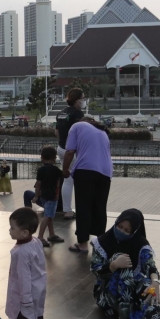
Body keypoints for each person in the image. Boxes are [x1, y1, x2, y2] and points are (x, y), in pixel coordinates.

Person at [91, 210, 160, 319]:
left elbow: (150, 265)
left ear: (134, 231)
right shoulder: (103, 241)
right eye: (120, 226)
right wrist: (113, 265)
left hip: (131, 289)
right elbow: (95, 270)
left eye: (127, 230)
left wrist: (155, 282)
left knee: (147, 285)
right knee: (121, 259)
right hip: (106, 295)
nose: (121, 231)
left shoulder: (140, 243)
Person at [62, 118, 113, 254]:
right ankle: (99, 242)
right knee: (100, 207)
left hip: (86, 170)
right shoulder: (102, 132)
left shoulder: (77, 125)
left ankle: (83, 244)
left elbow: (69, 152)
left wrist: (65, 169)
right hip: (106, 172)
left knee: (84, 207)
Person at [6, 208, 47, 319]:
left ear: (24, 233)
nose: (9, 230)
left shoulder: (22, 252)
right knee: (36, 315)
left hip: (26, 292)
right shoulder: (35, 241)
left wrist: (25, 299)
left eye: (12, 228)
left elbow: (24, 277)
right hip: (38, 287)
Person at [23, 146, 64, 247]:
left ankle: (51, 234)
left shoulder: (40, 170)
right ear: (54, 158)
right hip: (52, 197)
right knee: (47, 216)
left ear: (42, 158)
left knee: (49, 215)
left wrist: (36, 196)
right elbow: (66, 175)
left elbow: (38, 184)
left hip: (44, 197)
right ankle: (40, 237)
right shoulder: (56, 170)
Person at [55, 89, 86, 219]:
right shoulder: (78, 113)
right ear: (77, 100)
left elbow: (56, 131)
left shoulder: (62, 112)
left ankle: (67, 209)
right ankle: (77, 210)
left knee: (67, 180)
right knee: (79, 180)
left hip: (61, 148)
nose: (84, 101)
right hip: (71, 151)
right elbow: (81, 131)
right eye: (83, 98)